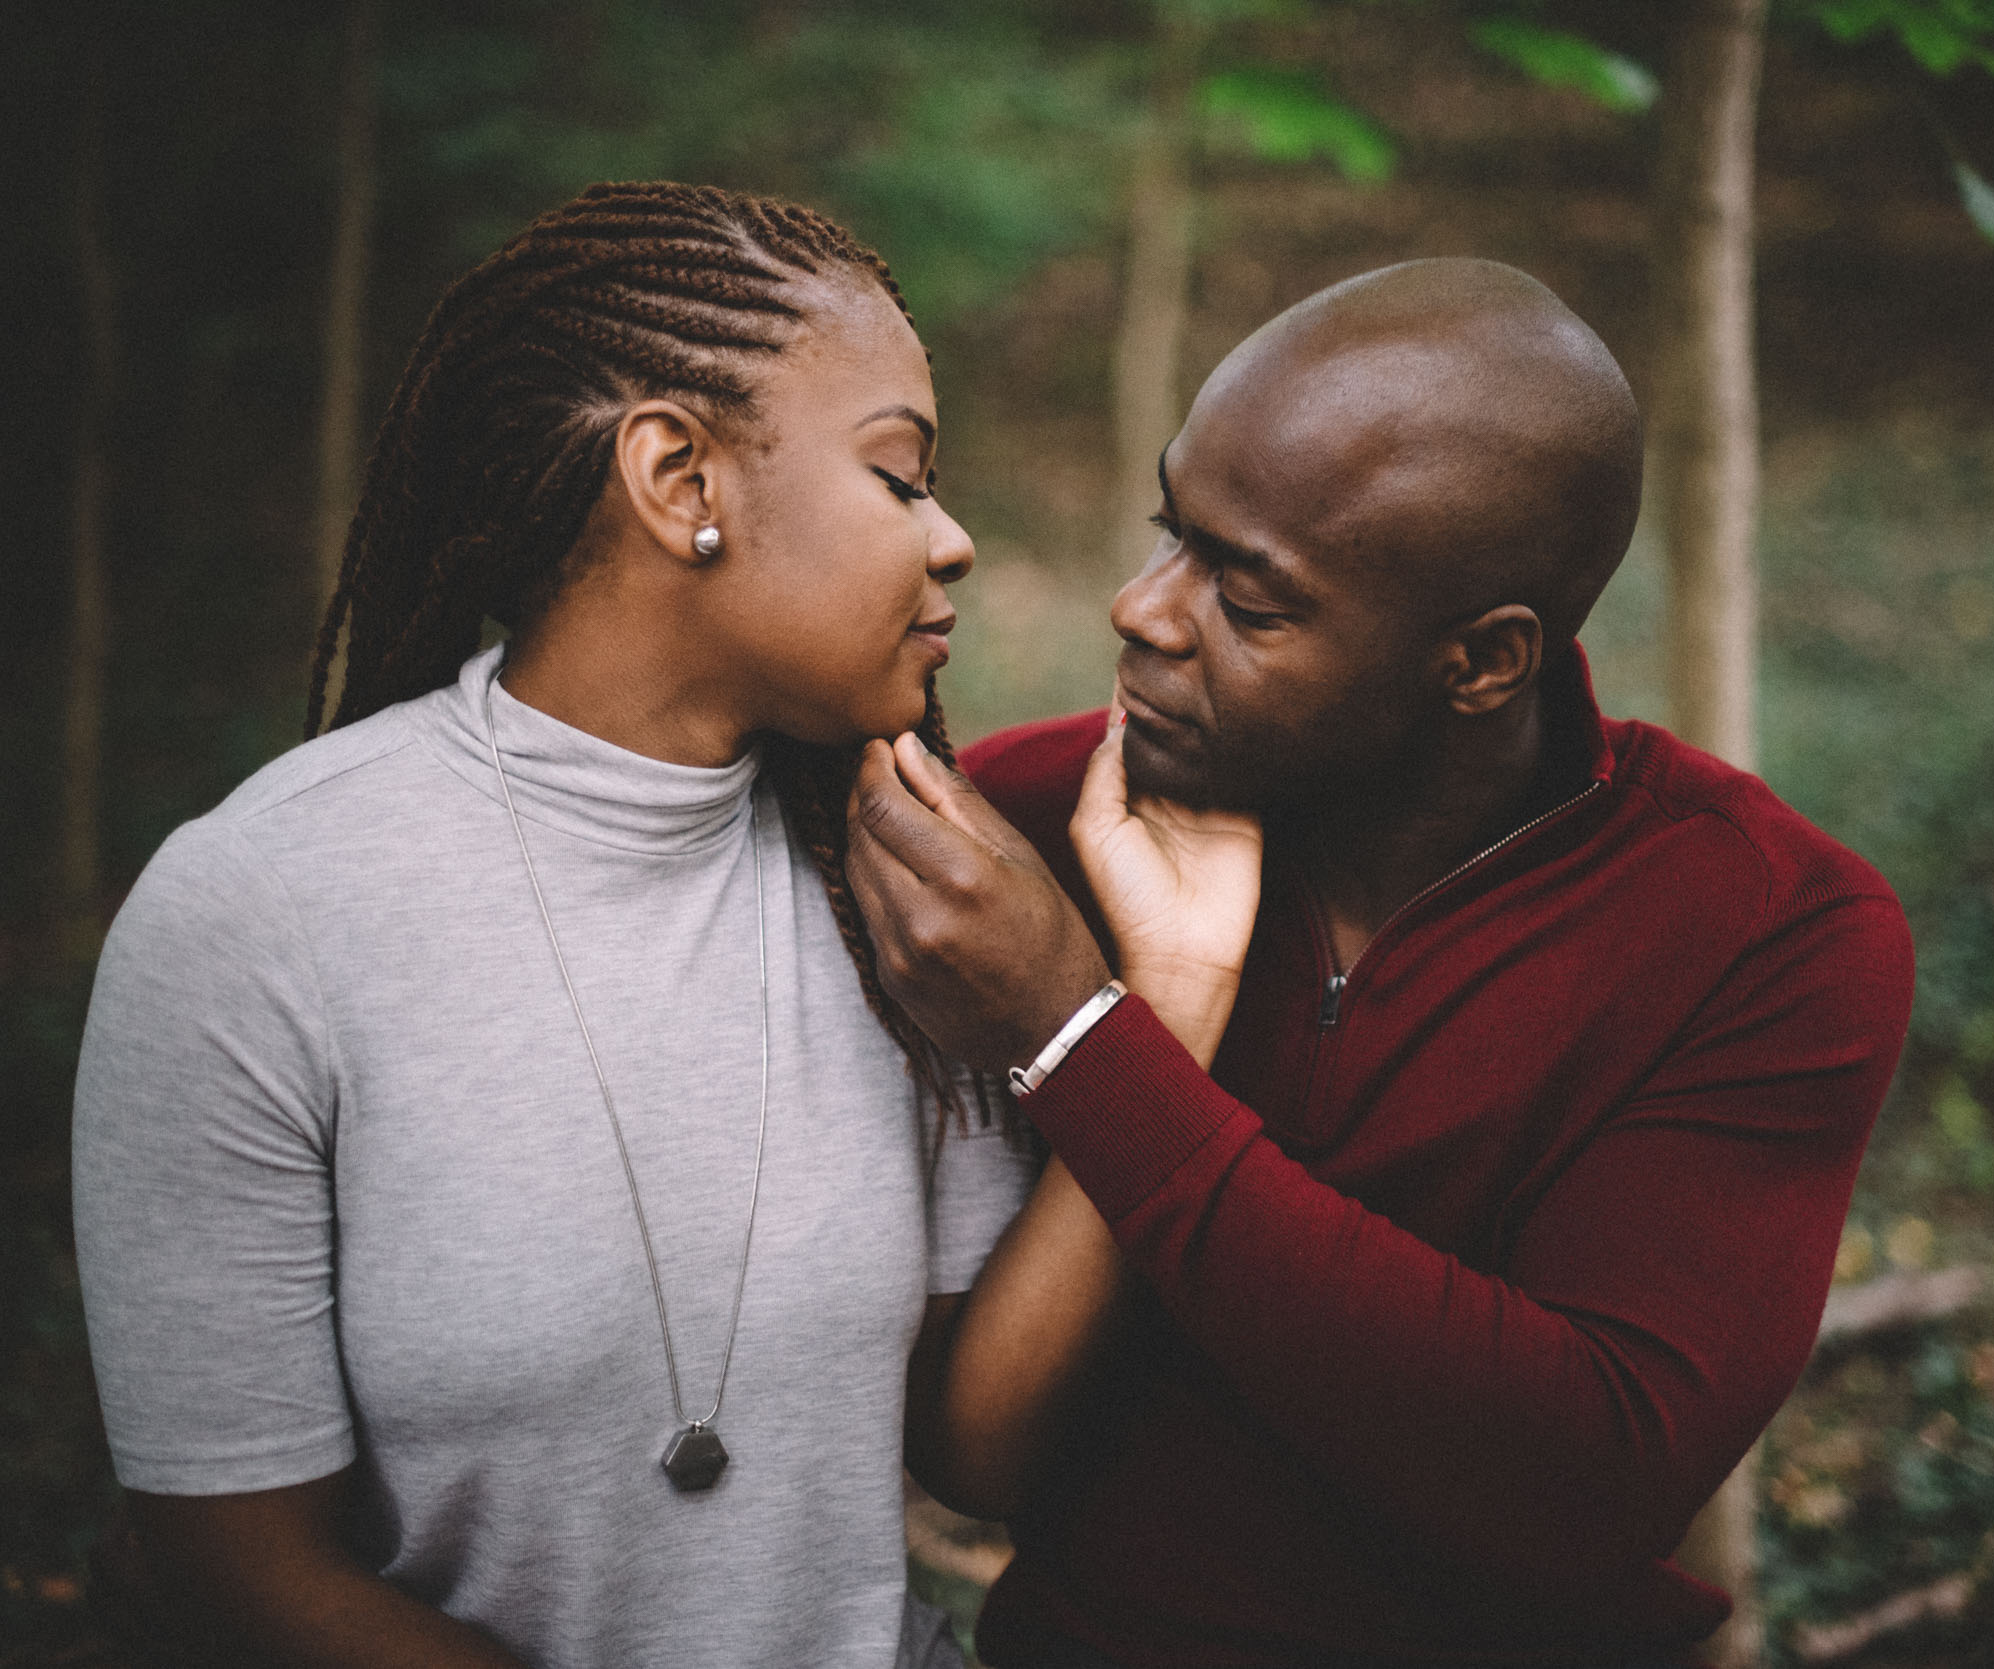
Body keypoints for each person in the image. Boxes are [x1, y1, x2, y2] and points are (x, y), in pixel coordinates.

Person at [70, 181, 1242, 1669]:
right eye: (900, 475)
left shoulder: (897, 885)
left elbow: (979, 1450)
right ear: (680, 479)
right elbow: (247, 1575)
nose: (950, 539)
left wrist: (1169, 1001)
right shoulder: (259, 915)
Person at [842, 258, 1919, 1668]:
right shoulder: (1025, 834)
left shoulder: (1767, 930)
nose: (1143, 609)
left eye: (1250, 597)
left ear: (1481, 662)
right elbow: (956, 1429)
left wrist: (1085, 1036)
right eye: (1175, 529)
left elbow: (1584, 1467)